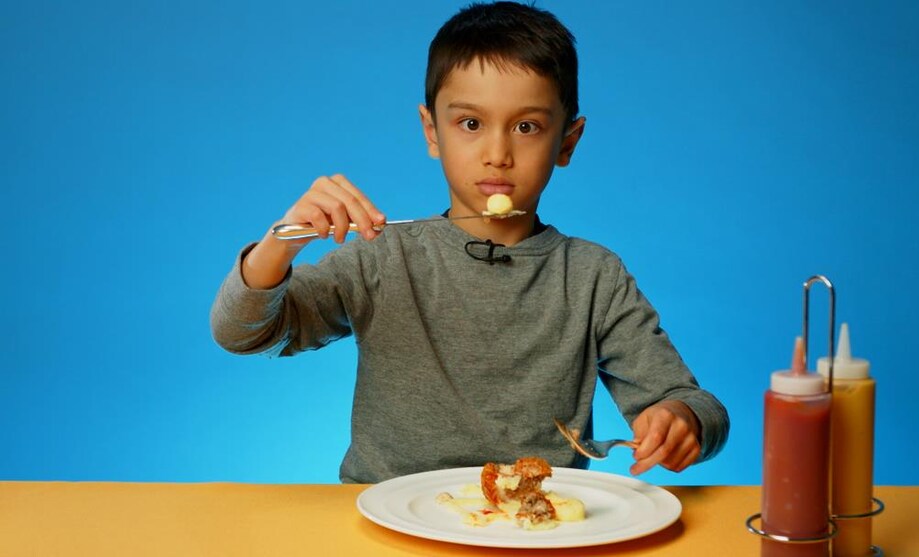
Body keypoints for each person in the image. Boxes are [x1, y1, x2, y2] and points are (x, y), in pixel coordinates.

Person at [211, 1, 728, 484]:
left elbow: (692, 403)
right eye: (471, 123)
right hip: (388, 523)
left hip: (532, 531)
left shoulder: (593, 276)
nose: (497, 153)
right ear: (432, 131)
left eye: (527, 126)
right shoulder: (382, 257)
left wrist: (680, 421)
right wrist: (281, 241)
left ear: (566, 142)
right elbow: (243, 334)